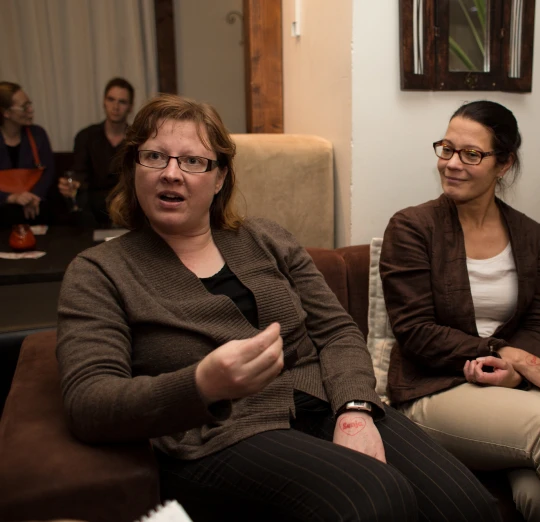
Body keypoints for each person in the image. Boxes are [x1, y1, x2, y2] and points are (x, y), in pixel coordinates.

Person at [56, 94, 501, 522]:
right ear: (134, 167)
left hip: (323, 403)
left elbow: (337, 332)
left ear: (220, 177)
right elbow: (88, 402)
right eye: (155, 156)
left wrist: (354, 409)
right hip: (217, 436)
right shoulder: (99, 270)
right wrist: (201, 385)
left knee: (470, 509)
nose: (172, 173)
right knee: (377, 499)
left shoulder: (265, 239)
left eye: (193, 161)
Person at [379, 100, 540, 522]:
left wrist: (517, 369)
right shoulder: (412, 227)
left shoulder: (531, 235)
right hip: (433, 389)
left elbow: (539, 320)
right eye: (446, 148)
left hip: (509, 390)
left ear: (503, 165)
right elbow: (416, 331)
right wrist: (504, 352)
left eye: (471, 154)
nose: (452, 164)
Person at [58, 77, 134, 226]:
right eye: (111, 99)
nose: (115, 106)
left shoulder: (136, 138)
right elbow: (79, 172)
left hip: (127, 203)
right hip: (92, 206)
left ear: (130, 107)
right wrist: (70, 185)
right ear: (104, 102)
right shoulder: (86, 136)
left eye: (122, 102)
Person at [0, 81, 55, 226]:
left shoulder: (38, 134)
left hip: (35, 205)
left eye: (29, 104)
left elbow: (48, 172)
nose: (30, 110)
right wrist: (11, 197)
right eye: (24, 107)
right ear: (6, 113)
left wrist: (35, 196)